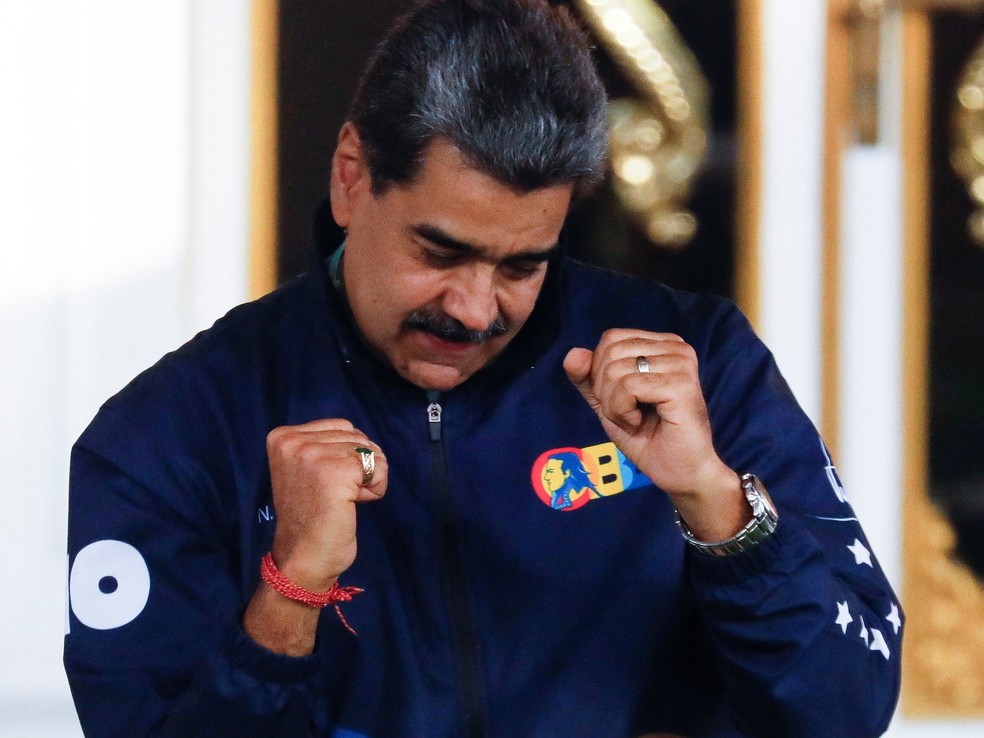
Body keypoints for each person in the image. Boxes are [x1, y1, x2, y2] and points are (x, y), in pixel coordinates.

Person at [64, 1, 903, 736]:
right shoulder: (167, 433)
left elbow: (845, 710)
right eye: (441, 251)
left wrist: (718, 509)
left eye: (520, 266)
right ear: (352, 178)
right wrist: (291, 590)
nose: (472, 308)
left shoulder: (702, 370)